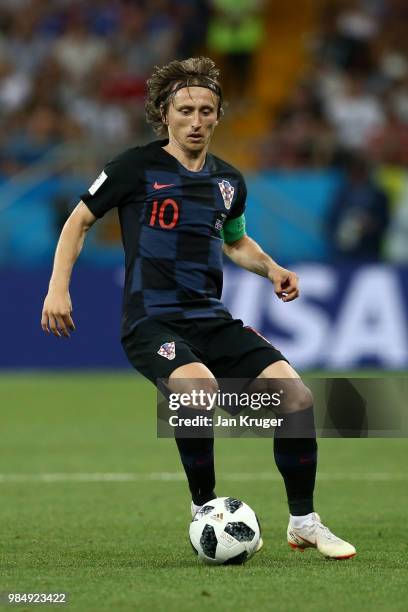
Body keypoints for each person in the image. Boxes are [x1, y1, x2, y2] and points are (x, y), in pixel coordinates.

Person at [41, 57, 355, 560]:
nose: (196, 120)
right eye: (185, 109)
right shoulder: (134, 167)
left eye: (206, 110)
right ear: (165, 113)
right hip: (151, 319)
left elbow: (235, 242)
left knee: (295, 399)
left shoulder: (228, 182)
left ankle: (304, 523)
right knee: (197, 389)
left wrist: (272, 269)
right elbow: (79, 221)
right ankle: (205, 509)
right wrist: (59, 288)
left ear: (218, 116)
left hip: (209, 316)